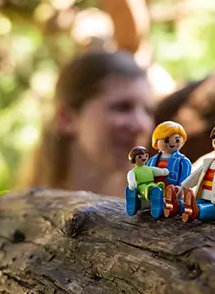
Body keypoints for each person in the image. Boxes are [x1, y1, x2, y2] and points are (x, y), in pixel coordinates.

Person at [19, 50, 154, 198]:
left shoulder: (156, 212)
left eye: (148, 111)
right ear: (66, 118)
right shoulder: (16, 214)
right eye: (122, 107)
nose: (142, 125)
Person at [167, 121, 215, 223]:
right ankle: (177, 206)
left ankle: (195, 211)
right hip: (205, 198)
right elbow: (196, 175)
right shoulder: (210, 162)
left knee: (210, 209)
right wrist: (183, 187)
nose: (214, 142)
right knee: (195, 203)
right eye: (214, 139)